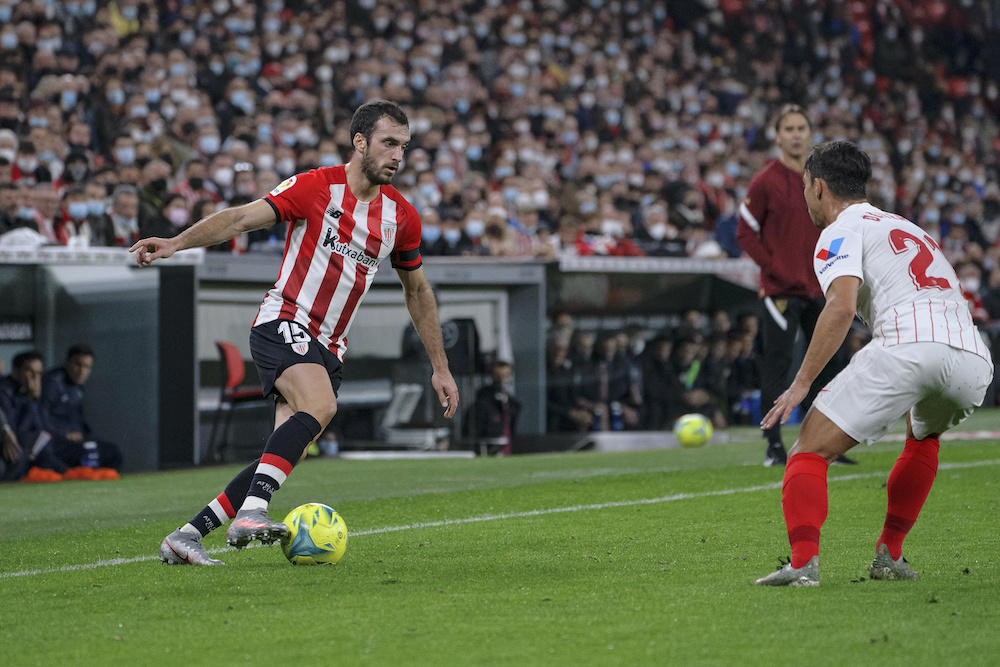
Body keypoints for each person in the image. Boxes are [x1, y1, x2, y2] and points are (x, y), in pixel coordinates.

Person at [132, 99, 460, 566]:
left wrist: (440, 367)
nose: (398, 156)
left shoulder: (401, 217)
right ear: (360, 142)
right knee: (321, 406)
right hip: (285, 320)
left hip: (330, 347)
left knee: (288, 452)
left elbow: (418, 291)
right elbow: (241, 218)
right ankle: (252, 514)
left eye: (404, 147)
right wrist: (175, 243)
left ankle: (187, 535)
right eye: (389, 143)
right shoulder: (315, 187)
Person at [755, 141, 993, 587]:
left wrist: (801, 383)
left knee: (808, 450)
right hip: (972, 356)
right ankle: (890, 556)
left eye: (805, 187)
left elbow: (841, 307)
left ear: (818, 187)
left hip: (911, 345)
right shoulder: (908, 226)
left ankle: (803, 564)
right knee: (923, 436)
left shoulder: (840, 229)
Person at [737, 103, 856, 467]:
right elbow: (745, 232)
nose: (795, 135)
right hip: (781, 292)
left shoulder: (821, 179)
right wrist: (774, 267)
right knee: (778, 364)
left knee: (829, 364)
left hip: (820, 287)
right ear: (777, 137)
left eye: (800, 128)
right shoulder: (765, 181)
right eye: (788, 129)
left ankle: (825, 443)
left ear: (810, 134)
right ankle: (773, 444)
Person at [41, 344, 123, 478]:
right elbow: (42, 417)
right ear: (66, 363)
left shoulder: (78, 387)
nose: (82, 371)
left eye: (87, 367)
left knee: (114, 452)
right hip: (57, 441)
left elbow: (78, 418)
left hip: (78, 439)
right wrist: (64, 434)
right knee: (85, 455)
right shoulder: (52, 382)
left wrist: (89, 436)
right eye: (78, 365)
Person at [471, 360, 521, 456]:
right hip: (490, 450)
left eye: (506, 376)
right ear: (492, 377)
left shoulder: (513, 404)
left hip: (509, 450)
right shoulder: (484, 400)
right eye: (499, 377)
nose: (503, 381)